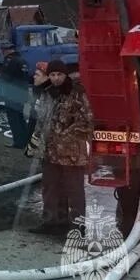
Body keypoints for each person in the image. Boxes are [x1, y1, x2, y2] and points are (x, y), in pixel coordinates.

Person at [29, 59, 94, 235]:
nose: (56, 78)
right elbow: (41, 120)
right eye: (52, 74)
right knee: (50, 188)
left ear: (65, 75)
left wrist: (64, 136)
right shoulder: (48, 93)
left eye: (59, 74)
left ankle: (78, 226)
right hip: (50, 152)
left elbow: (87, 121)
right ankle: (52, 222)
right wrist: (36, 142)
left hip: (72, 153)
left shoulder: (77, 93)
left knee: (74, 191)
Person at [0, 45, 31, 149]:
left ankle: (18, 142)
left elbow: (5, 78)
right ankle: (26, 140)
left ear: (6, 51)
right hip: (23, 94)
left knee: (14, 120)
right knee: (21, 118)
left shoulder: (9, 61)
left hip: (12, 95)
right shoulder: (23, 60)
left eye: (2, 51)